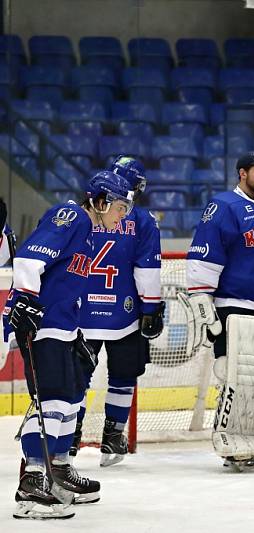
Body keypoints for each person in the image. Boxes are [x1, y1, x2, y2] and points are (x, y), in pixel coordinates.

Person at [6, 171, 134, 519]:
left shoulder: (91, 232)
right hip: (41, 323)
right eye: (120, 207)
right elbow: (29, 259)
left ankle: (58, 472)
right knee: (50, 401)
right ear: (103, 201)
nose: (123, 216)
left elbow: (63, 281)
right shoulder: (72, 216)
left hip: (61, 326)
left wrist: (73, 329)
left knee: (70, 399)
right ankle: (32, 484)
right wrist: (27, 301)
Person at [184, 151, 254, 469]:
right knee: (238, 377)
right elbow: (204, 257)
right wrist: (203, 303)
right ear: (242, 174)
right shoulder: (223, 206)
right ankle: (232, 433)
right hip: (234, 305)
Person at [71, 157, 163, 467]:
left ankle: (70, 436)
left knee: (76, 378)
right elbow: (147, 268)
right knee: (123, 377)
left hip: (82, 312)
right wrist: (151, 307)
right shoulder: (143, 220)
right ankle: (112, 437)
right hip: (125, 314)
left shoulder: (82, 214)